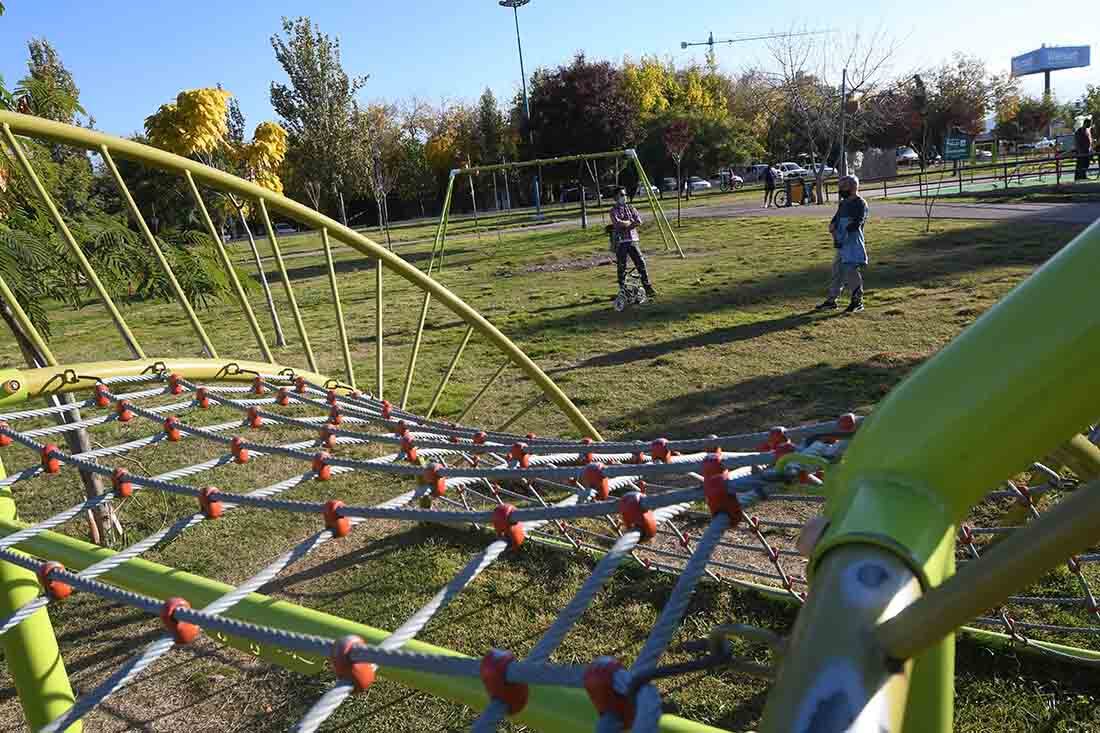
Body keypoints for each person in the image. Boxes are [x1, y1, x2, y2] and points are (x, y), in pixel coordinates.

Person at [815, 174, 868, 314]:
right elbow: (837, 217)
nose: (840, 190)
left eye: (842, 187)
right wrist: (833, 225)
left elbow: (858, 222)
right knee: (837, 271)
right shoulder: (843, 203)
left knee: (851, 271)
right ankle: (831, 301)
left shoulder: (860, 203)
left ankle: (857, 301)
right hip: (841, 243)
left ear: (852, 187)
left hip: (852, 243)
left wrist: (845, 232)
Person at [609, 187, 656, 297]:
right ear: (615, 197)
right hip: (621, 242)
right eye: (621, 195)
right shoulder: (613, 211)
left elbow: (638, 221)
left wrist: (626, 224)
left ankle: (647, 286)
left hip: (633, 240)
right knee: (622, 266)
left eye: (624, 194)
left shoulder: (631, 208)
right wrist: (630, 223)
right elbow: (617, 223)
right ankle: (623, 290)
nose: (624, 197)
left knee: (641, 263)